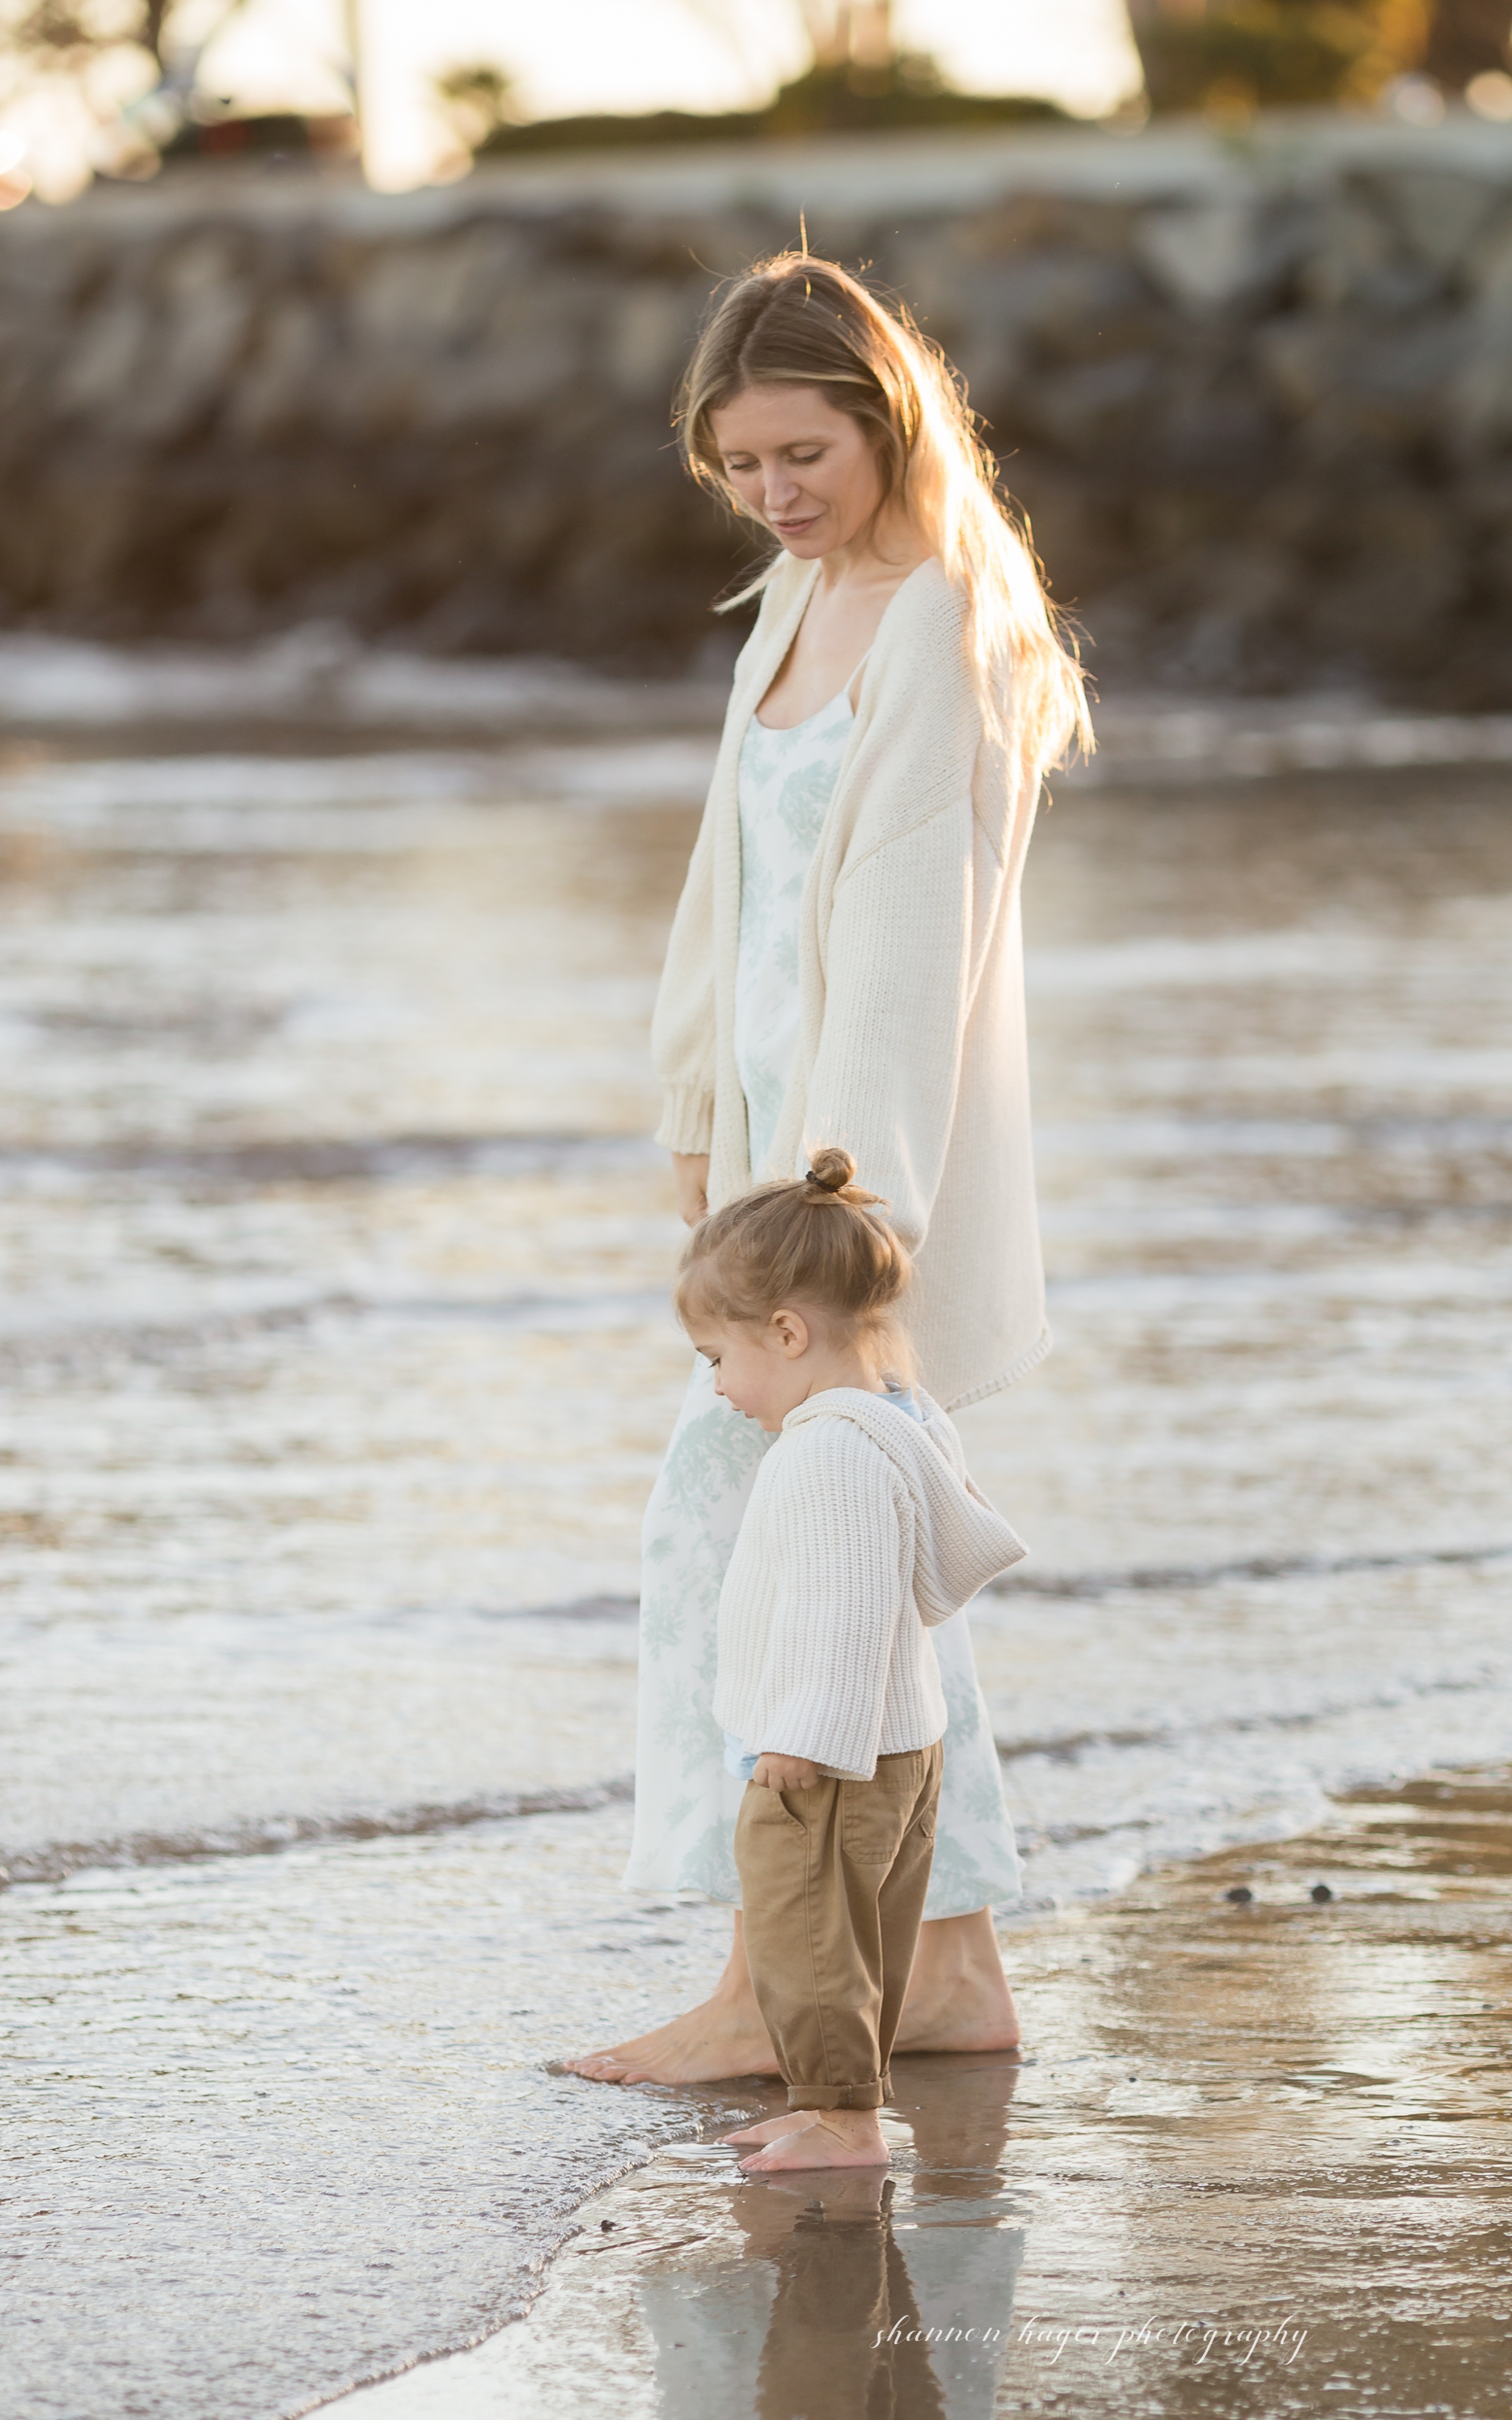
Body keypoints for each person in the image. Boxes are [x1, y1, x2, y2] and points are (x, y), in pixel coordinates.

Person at [568, 252, 1089, 2088]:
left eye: (803, 449)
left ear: (885, 418)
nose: (775, 491)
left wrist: (839, 1235)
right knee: (853, 1585)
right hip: (768, 1182)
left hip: (850, 1204)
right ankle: (936, 1960)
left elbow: (896, 943)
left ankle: (766, 1985)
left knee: (746, 1561)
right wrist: (699, 1137)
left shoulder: (940, 626)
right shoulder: (789, 603)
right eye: (739, 463)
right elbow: (729, 900)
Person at [671, 1149, 1026, 2172]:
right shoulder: (902, 1419)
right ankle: (834, 2104)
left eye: (714, 1357)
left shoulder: (822, 1451)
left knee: (808, 1942)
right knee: (862, 1941)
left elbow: (842, 1609)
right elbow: (922, 1585)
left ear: (785, 1333)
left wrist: (798, 1738)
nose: (720, 1386)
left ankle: (844, 2123)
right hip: (902, 1747)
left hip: (830, 1759)